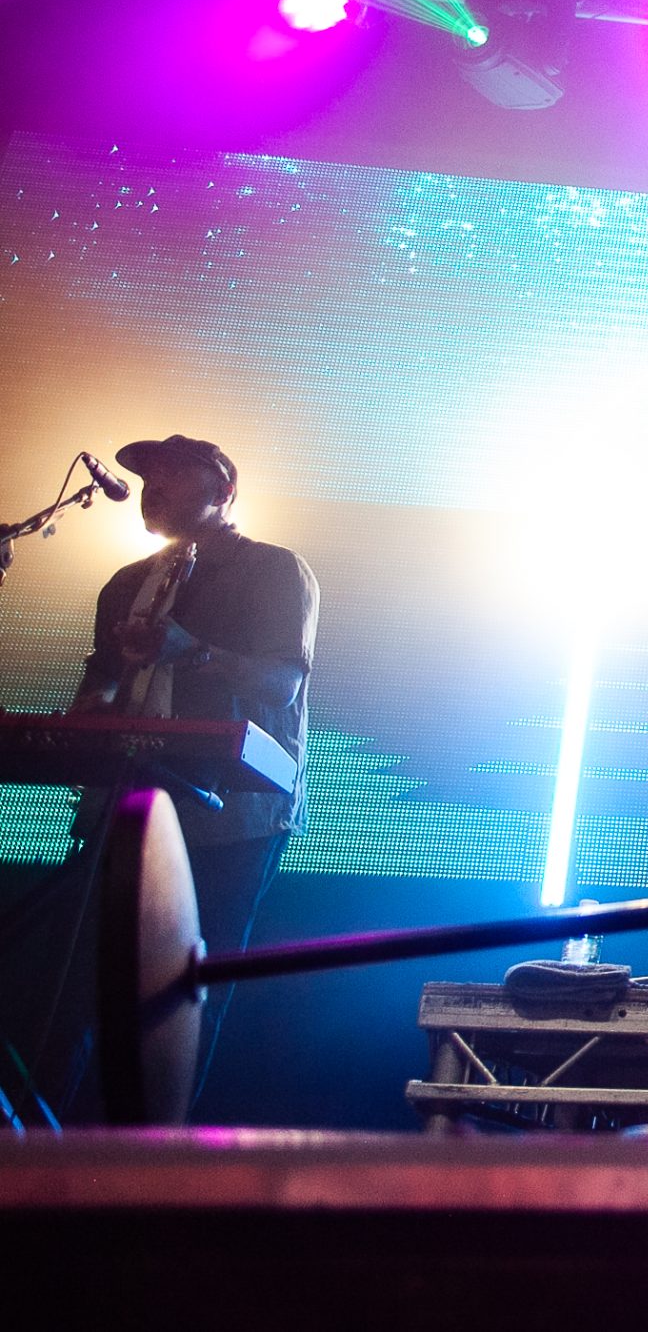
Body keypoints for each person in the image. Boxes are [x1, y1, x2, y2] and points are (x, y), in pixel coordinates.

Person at [71, 434, 319, 1096]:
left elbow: (280, 684)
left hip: (228, 814)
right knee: (79, 987)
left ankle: (165, 1149)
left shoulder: (272, 568)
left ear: (224, 491)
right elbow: (98, 687)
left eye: (176, 475)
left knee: (184, 1002)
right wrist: (94, 703)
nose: (153, 486)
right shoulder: (126, 582)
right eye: (148, 476)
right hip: (124, 804)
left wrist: (191, 650)